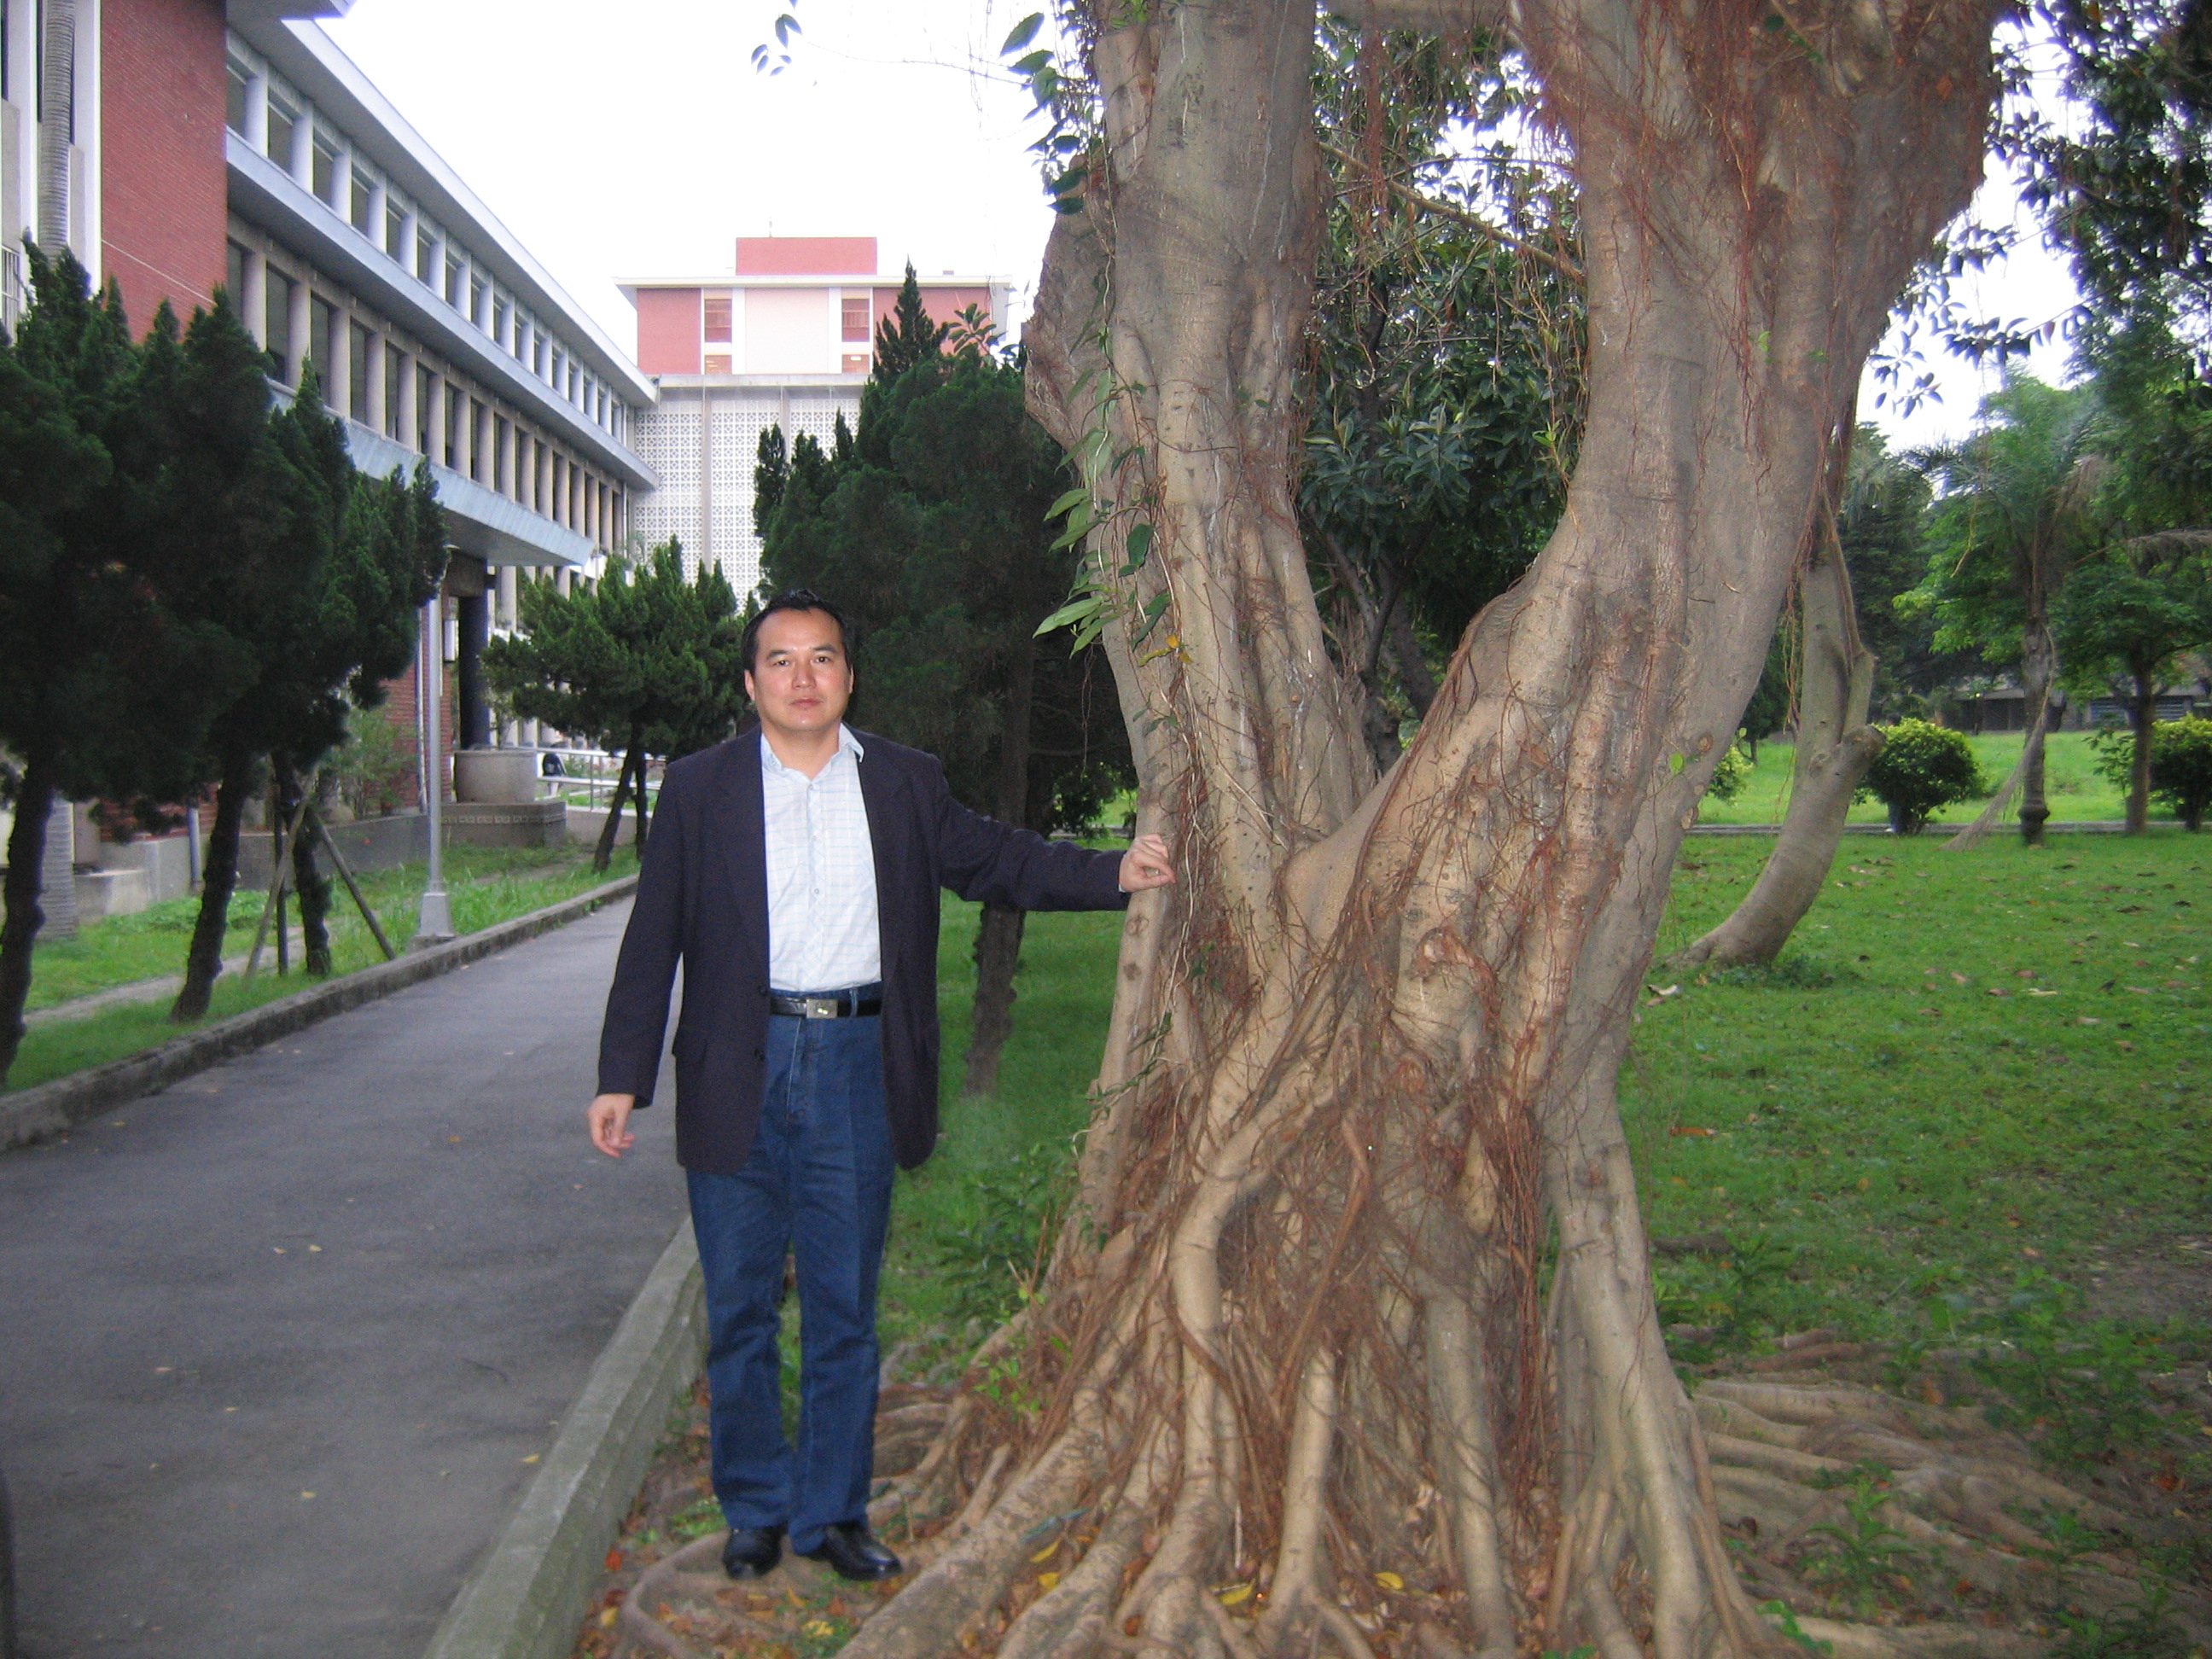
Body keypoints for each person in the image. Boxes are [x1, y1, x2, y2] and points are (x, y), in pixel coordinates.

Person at [589, 590, 1174, 1584]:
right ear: (751, 683)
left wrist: (1112, 871)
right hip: (737, 1068)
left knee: (843, 1306)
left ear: (849, 678)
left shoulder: (902, 782)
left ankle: (832, 1514)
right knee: (739, 1307)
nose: (803, 677)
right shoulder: (699, 789)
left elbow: (995, 859)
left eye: (822, 658)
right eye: (781, 660)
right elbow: (654, 941)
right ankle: (755, 1508)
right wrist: (621, 1077)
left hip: (858, 1067)